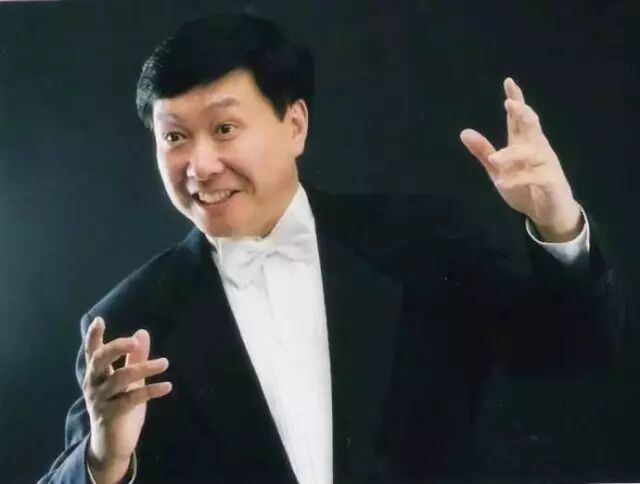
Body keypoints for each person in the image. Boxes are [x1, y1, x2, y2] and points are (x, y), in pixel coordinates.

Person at [39, 13, 626, 484]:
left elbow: (573, 350)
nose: (200, 165)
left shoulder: (420, 239)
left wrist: (556, 221)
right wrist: (105, 460)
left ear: (295, 125)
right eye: (174, 137)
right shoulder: (128, 321)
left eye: (224, 129)